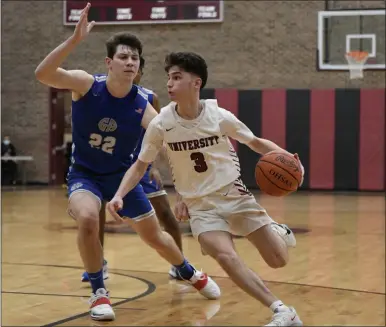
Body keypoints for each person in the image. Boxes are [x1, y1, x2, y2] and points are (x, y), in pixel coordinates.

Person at [35, 3, 220, 321]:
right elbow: (43, 74)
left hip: (122, 177)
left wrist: (190, 175)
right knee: (89, 219)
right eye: (123, 56)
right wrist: (74, 40)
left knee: (154, 237)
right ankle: (98, 292)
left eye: (134, 57)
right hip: (85, 174)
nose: (130, 61)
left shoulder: (143, 104)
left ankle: (187, 270)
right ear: (109, 62)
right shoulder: (85, 85)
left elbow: (170, 141)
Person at [107, 51, 304, 326]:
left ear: (196, 83)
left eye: (177, 77)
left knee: (277, 261)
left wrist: (293, 162)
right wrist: (118, 195)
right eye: (168, 78)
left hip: (233, 195)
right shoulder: (161, 123)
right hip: (199, 206)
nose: (169, 84)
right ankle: (282, 310)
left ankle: (277, 231)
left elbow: (257, 143)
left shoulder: (218, 116)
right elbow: (140, 165)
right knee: (224, 255)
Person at [80, 56, 185, 283]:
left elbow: (157, 136)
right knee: (96, 215)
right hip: (110, 165)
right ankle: (98, 264)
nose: (130, 69)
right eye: (124, 62)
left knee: (165, 213)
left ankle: (180, 262)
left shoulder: (148, 98)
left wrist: (154, 166)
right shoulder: (104, 94)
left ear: (140, 72)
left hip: (140, 165)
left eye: (135, 66)